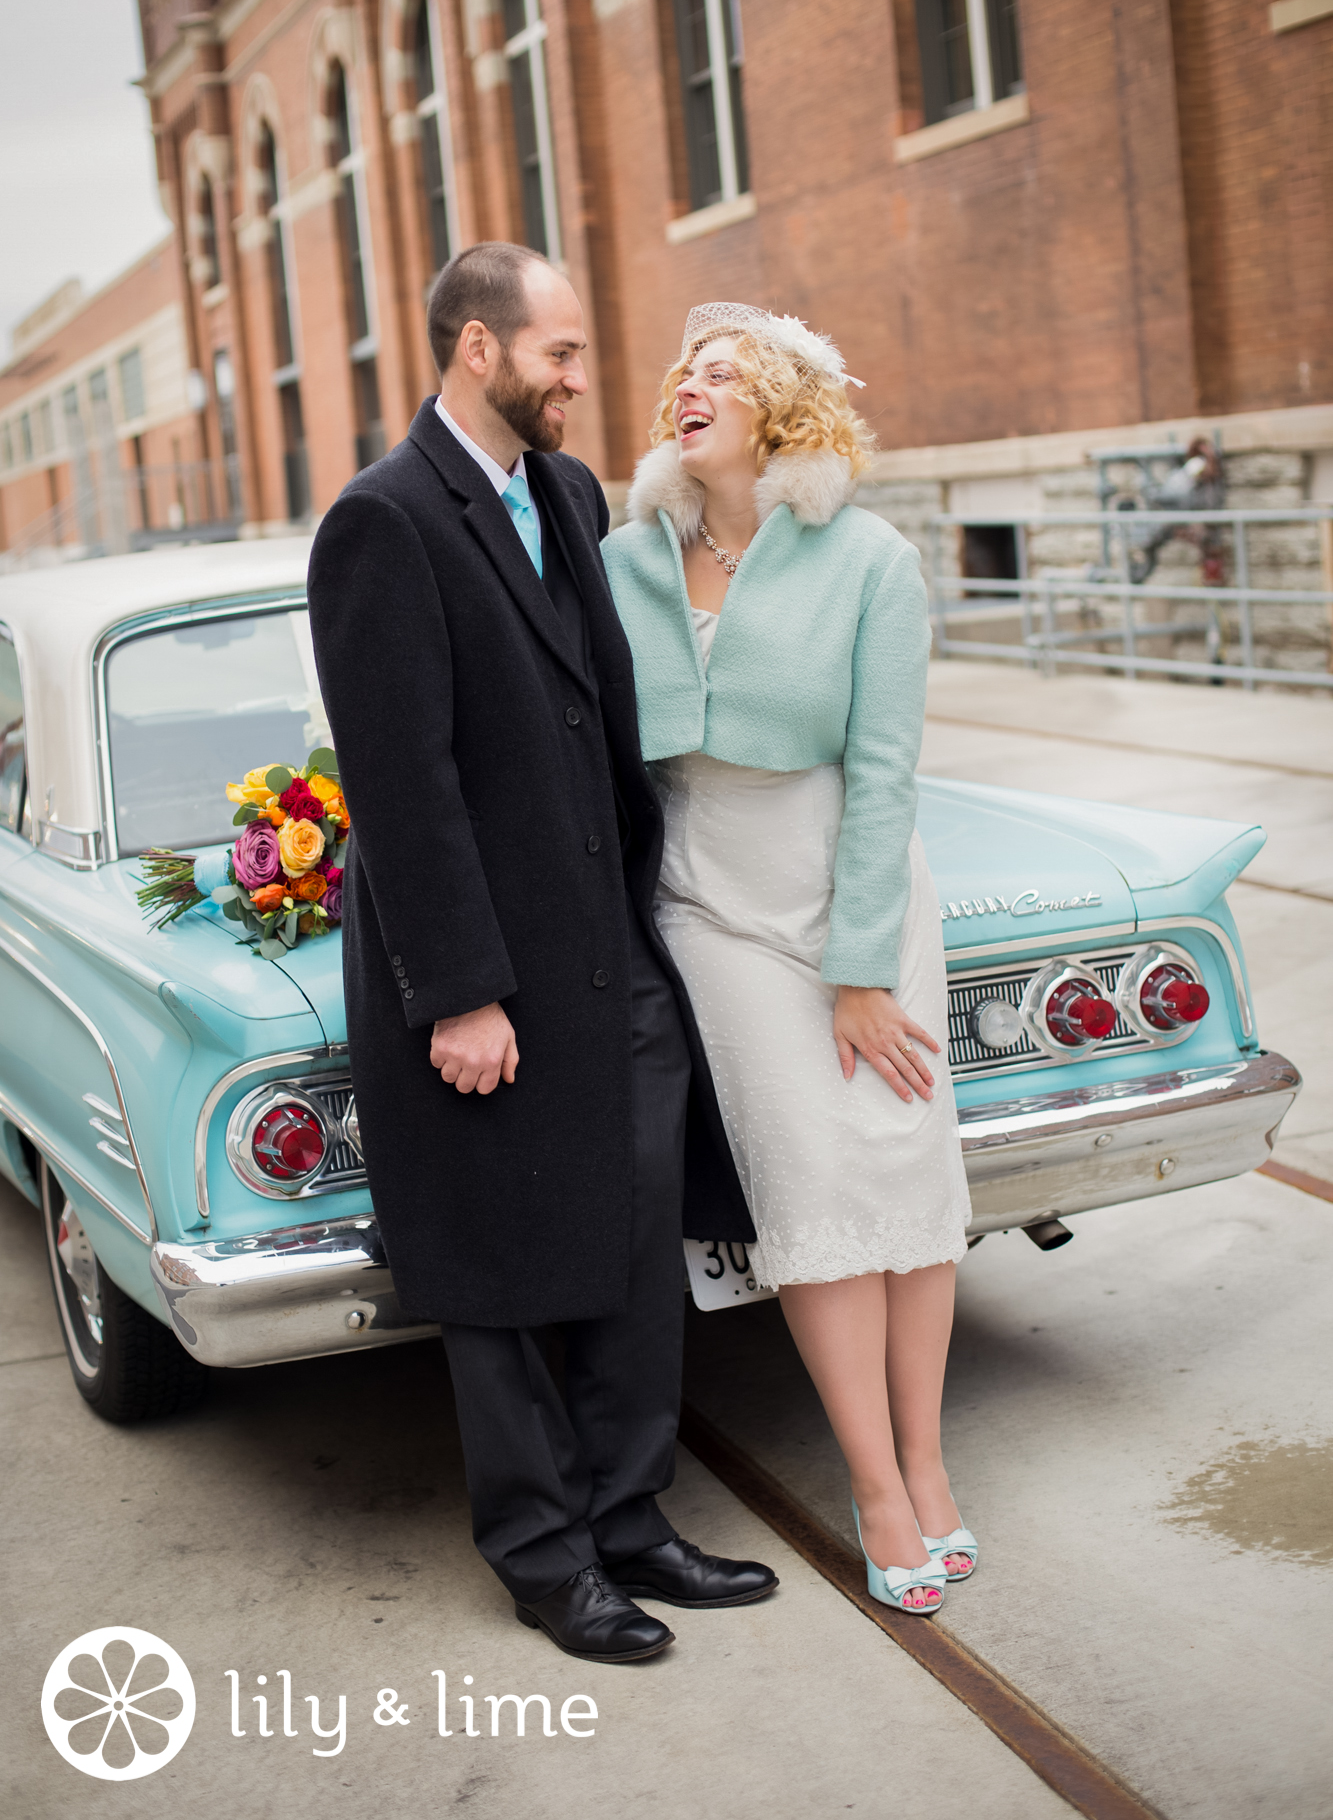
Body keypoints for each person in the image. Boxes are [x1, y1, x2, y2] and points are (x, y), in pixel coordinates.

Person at [307, 248, 776, 1663]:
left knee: (637, 1253)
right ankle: (542, 1556)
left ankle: (631, 1519)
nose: (581, 380)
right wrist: (457, 992)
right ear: (473, 348)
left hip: (607, 957)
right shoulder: (381, 524)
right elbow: (402, 782)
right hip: (487, 980)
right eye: (559, 355)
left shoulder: (565, 495)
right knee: (504, 1272)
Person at [602, 303, 974, 1615]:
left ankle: (930, 1468)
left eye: (722, 372)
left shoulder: (866, 556)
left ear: (781, 409)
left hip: (854, 891)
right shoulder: (622, 556)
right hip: (709, 902)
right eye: (683, 372)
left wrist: (860, 967)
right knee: (811, 1195)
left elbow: (882, 771)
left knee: (903, 1178)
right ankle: (874, 1487)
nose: (688, 386)